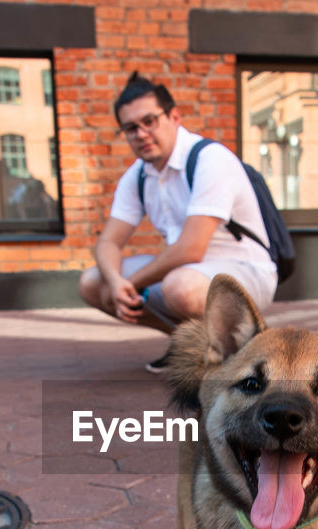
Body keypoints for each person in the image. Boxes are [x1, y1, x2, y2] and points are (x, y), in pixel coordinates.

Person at [78, 72, 278, 370]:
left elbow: (190, 249)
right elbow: (109, 241)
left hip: (247, 272)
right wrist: (116, 282)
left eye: (149, 121)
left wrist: (128, 285)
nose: (141, 134)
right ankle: (189, 345)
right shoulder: (137, 176)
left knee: (179, 287)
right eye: (131, 128)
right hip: (187, 274)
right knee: (94, 282)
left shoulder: (210, 159)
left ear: (174, 117)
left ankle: (243, 355)